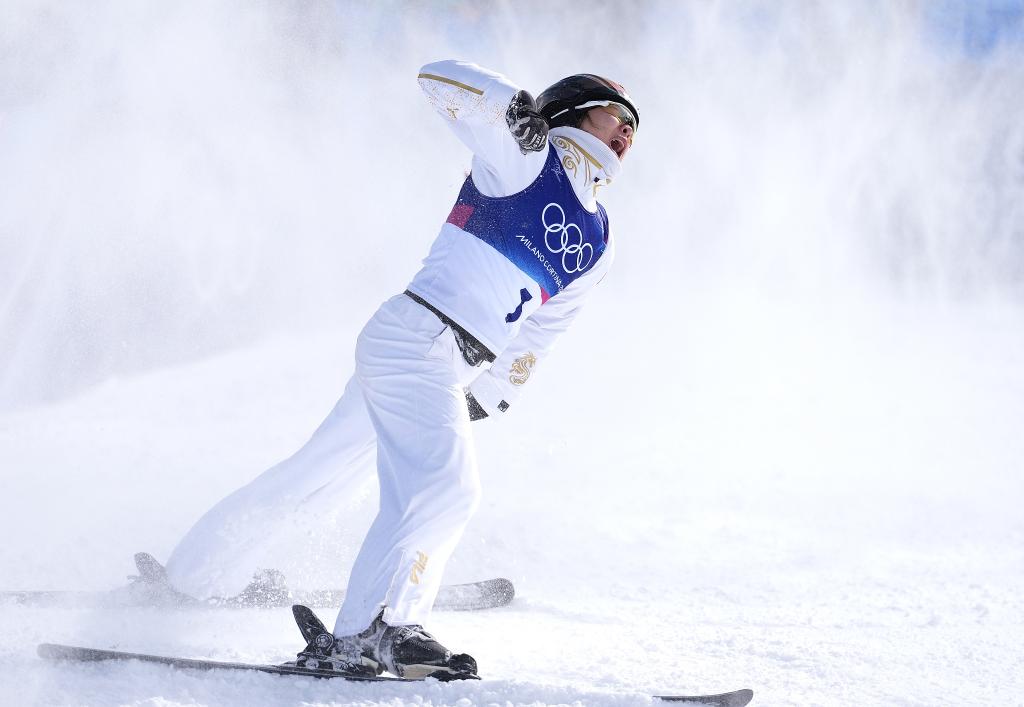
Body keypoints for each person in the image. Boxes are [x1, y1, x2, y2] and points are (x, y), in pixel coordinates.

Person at [163, 59, 638, 679]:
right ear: (572, 111)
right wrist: (509, 106)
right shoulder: (525, 158)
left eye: (634, 128)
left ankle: (194, 577)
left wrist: (494, 393)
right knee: (446, 487)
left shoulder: (599, 238)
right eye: (615, 116)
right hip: (420, 340)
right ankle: (374, 628)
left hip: (434, 356)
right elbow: (438, 81)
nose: (626, 133)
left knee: (320, 477)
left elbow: (544, 330)